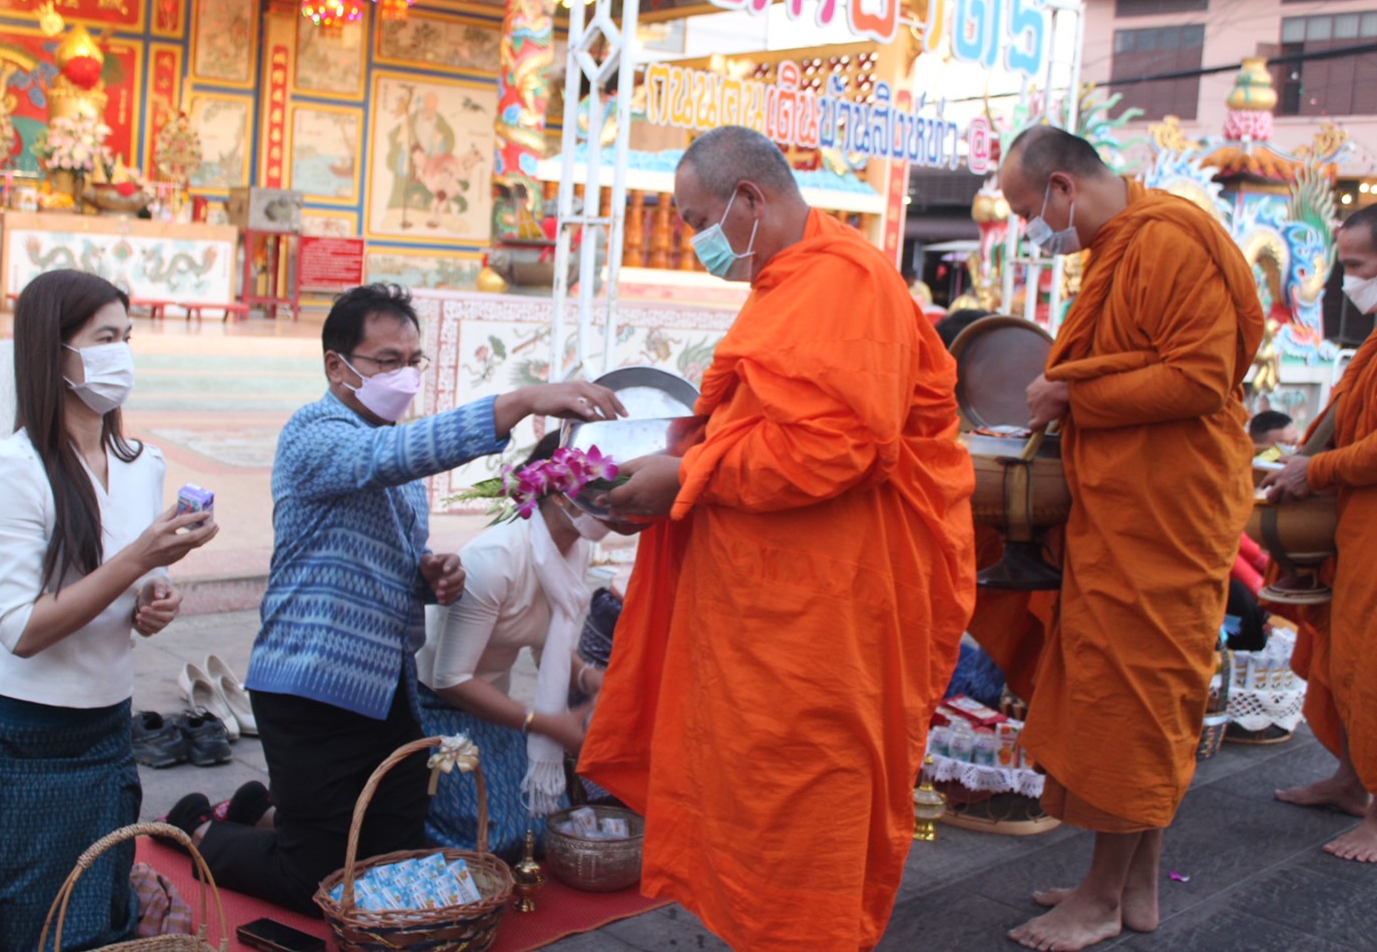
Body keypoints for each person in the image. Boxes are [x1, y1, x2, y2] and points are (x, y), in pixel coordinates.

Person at [577, 126, 976, 949]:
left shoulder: (845, 282)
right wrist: (670, 470)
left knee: (803, 795)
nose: (695, 242)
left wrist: (687, 478)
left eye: (696, 220)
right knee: (748, 789)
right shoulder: (791, 276)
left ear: (750, 200)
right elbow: (756, 424)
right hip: (764, 599)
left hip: (822, 613)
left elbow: (839, 445)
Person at [164, 284, 623, 915]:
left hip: (387, 688)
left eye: (414, 360)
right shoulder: (315, 432)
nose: (404, 374)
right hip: (311, 683)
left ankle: (258, 811)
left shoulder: (400, 476)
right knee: (316, 881)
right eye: (386, 360)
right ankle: (202, 830)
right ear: (336, 366)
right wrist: (521, 401)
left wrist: (426, 575)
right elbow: (385, 456)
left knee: (395, 854)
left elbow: (381, 539)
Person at [995, 125, 1263, 950]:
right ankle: (1132, 882)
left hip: (1166, 508)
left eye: (1024, 207)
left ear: (1064, 189)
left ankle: (1101, 899)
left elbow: (1201, 375)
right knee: (1134, 698)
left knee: (1133, 703)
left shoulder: (1167, 243)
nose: (1028, 226)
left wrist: (1073, 392)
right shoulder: (1124, 246)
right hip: (1129, 505)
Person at [0, 270, 219, 950]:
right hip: (12, 735)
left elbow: (137, 587)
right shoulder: (12, 467)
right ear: (55, 351)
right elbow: (21, 629)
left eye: (127, 337)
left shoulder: (142, 462)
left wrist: (154, 596)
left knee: (86, 919)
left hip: (104, 732)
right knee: (4, 927)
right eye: (105, 338)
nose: (122, 354)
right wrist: (136, 560)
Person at [414, 433, 612, 858]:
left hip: (490, 702)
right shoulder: (495, 560)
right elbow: (449, 679)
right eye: (599, 489)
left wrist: (593, 678)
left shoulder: (573, 549)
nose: (612, 503)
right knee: (495, 842)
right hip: (431, 707)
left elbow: (548, 649)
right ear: (559, 497)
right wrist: (542, 722)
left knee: (541, 832)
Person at [1262, 203, 1377, 863]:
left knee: (1372, 663)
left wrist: (1318, 469)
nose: (1346, 281)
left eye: (1357, 266)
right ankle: (1350, 780)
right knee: (1345, 652)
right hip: (1354, 526)